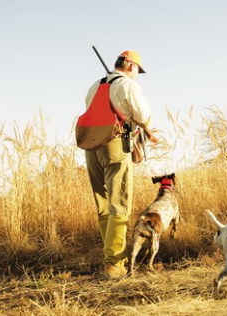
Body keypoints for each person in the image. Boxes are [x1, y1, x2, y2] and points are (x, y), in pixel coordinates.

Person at [84, 50, 157, 279]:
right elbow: (144, 114)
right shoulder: (127, 84)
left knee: (104, 205)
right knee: (120, 204)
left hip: (91, 147)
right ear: (129, 65)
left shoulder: (95, 85)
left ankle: (110, 259)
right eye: (137, 69)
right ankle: (114, 265)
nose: (137, 74)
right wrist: (144, 125)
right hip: (115, 145)